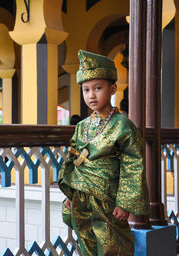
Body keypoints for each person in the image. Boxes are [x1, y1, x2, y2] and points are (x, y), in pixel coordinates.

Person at [58, 50, 149, 255]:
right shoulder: (82, 126)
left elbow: (133, 164)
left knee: (112, 244)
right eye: (86, 90)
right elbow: (74, 159)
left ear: (113, 88)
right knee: (86, 241)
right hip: (83, 197)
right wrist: (71, 193)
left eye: (98, 88)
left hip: (109, 199)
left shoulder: (123, 125)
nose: (91, 95)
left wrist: (124, 203)